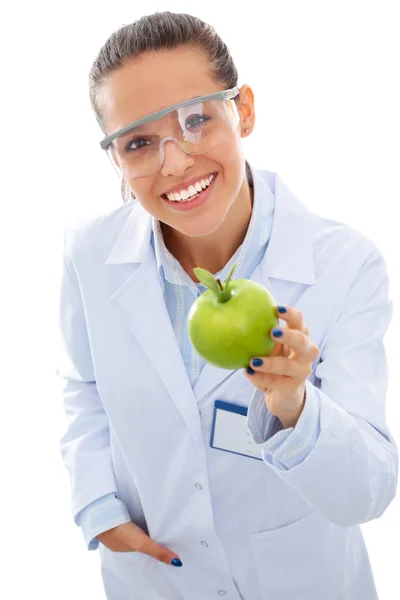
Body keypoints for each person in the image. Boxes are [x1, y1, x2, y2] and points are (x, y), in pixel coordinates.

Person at [57, 11, 398, 600]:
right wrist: (96, 506)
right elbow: (82, 384)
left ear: (242, 110)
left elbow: (366, 494)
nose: (176, 162)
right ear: (114, 159)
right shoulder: (90, 250)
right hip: (155, 582)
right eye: (138, 142)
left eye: (195, 120)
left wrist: (294, 405)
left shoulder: (344, 265)